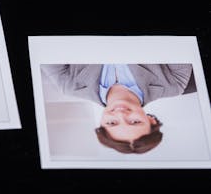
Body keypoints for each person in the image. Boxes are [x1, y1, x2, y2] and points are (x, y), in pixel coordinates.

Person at [41, 63, 196, 154]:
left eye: (112, 123)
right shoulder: (174, 84)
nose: (121, 114)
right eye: (135, 122)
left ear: (101, 123)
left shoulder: (68, 85)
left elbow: (46, 45)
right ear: (151, 119)